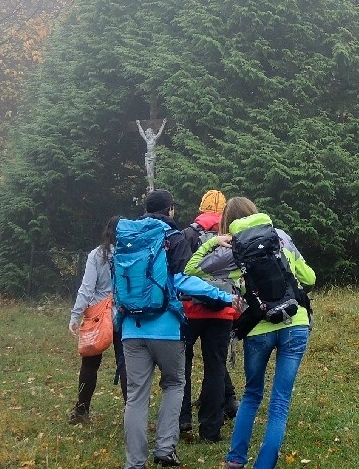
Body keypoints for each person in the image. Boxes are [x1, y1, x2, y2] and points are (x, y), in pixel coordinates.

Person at [187, 196, 315, 469]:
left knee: (252, 394)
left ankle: (235, 460)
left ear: (227, 221)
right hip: (295, 323)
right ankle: (264, 466)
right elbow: (310, 278)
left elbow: (191, 268)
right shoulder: (279, 236)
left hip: (258, 327)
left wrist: (212, 242)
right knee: (279, 403)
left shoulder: (233, 247)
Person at [119, 190, 232, 469]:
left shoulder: (128, 238)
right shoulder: (173, 237)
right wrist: (225, 297)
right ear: (170, 209)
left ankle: (134, 463)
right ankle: (165, 449)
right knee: (174, 383)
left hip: (131, 328)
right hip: (167, 328)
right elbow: (183, 280)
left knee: (135, 395)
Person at [177, 188, 239, 444]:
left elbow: (181, 270)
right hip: (222, 311)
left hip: (190, 310)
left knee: (182, 368)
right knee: (215, 368)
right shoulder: (233, 235)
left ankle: (182, 421)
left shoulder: (188, 234)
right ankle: (210, 430)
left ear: (201, 208)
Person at [68, 216, 125, 425]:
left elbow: (87, 289)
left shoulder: (97, 255)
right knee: (125, 363)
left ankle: (81, 411)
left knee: (90, 363)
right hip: (125, 314)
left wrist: (76, 315)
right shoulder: (130, 254)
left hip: (100, 317)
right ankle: (132, 412)